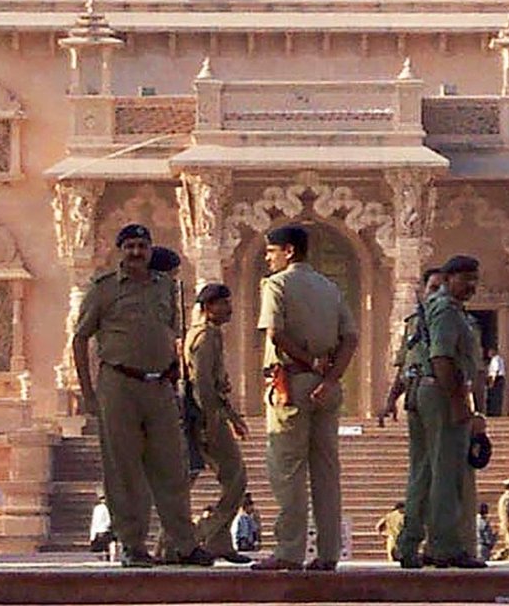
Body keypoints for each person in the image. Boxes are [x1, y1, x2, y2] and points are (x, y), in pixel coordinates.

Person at [71, 222, 214, 567]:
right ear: (121, 251)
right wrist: (87, 391)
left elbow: (171, 332)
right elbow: (80, 338)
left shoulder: (165, 287)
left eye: (142, 247)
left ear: (150, 251)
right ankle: (133, 545)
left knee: (173, 467)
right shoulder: (104, 289)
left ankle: (183, 544)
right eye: (130, 246)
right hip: (119, 383)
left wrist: (176, 372)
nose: (136, 253)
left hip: (160, 385)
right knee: (124, 469)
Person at [252, 224, 358, 571]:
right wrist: (330, 378)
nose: (268, 258)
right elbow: (350, 339)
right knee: (326, 470)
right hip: (326, 387)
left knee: (288, 469)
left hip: (292, 383)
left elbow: (275, 333)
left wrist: (309, 362)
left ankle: (290, 550)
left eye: (272, 252)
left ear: (289, 251)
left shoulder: (277, 284)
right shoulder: (330, 287)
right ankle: (328, 552)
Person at [420, 254, 485, 568]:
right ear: (448, 279)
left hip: (443, 392)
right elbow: (441, 358)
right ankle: (445, 547)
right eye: (466, 279)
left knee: (442, 472)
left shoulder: (450, 310)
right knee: (448, 474)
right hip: (444, 394)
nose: (472, 286)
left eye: (475, 280)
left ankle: (438, 544)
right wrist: (459, 403)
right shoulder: (446, 310)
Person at [185, 282, 252, 563]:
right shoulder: (205, 337)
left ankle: (218, 541)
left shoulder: (209, 335)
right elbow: (202, 384)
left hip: (213, 413)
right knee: (236, 478)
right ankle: (198, 534)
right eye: (223, 303)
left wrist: (233, 417)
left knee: (229, 479)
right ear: (208, 307)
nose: (229, 308)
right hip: (206, 416)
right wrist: (211, 422)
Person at [382, 266, 442, 568]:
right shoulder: (425, 322)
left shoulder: (427, 320)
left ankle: (415, 543)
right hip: (434, 396)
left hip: (423, 395)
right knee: (436, 472)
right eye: (433, 288)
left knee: (426, 473)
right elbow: (407, 364)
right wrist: (391, 398)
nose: (437, 294)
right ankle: (437, 544)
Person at [492, 477, 509, 560]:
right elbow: (505, 513)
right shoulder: (506, 498)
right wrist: (508, 524)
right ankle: (498, 557)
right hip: (508, 524)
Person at [485, 349, 506, 417]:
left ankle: (493, 412)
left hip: (496, 380)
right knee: (498, 396)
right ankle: (497, 412)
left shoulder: (494, 360)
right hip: (501, 379)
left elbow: (494, 371)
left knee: (494, 397)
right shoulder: (500, 359)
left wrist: (491, 382)